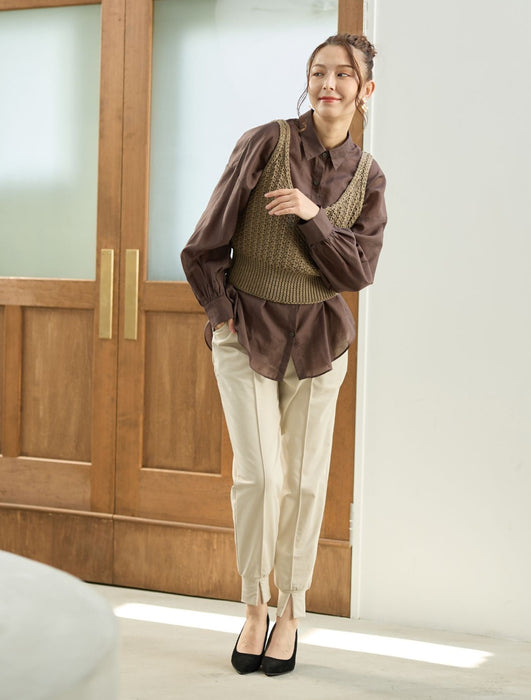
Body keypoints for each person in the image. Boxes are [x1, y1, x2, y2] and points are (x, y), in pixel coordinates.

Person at [181, 33, 387, 676]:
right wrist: (222, 317)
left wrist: (312, 215)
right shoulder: (265, 143)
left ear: (365, 90)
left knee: (305, 481)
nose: (329, 84)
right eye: (319, 72)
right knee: (260, 476)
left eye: (343, 75)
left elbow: (356, 271)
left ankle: (291, 612)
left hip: (320, 340)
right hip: (247, 330)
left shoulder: (370, 176)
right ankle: (253, 606)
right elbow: (204, 244)